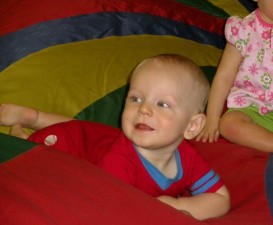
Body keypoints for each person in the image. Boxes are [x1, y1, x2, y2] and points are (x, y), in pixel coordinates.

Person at [0, 54, 230, 220]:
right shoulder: (117, 164)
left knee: (94, 131)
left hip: (99, 138)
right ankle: (25, 126)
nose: (144, 110)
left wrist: (179, 207)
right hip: (70, 146)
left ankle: (30, 117)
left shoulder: (187, 157)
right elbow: (112, 213)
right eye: (136, 98)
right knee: (49, 150)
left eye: (162, 104)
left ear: (192, 126)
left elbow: (220, 198)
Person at [196, 0, 273, 153]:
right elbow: (225, 75)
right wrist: (212, 119)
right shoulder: (244, 30)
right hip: (257, 110)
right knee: (228, 124)